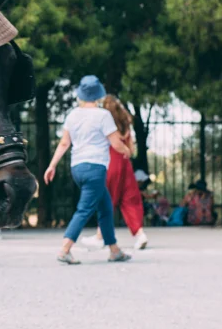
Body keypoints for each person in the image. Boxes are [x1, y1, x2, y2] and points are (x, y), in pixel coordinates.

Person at [44, 75, 133, 264]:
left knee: (106, 208)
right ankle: (65, 249)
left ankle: (114, 250)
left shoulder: (73, 115)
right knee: (84, 210)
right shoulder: (103, 115)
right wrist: (127, 151)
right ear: (99, 95)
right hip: (95, 168)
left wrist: (52, 165)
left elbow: (64, 143)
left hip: (77, 168)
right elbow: (116, 143)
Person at [80, 95, 148, 251]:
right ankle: (140, 234)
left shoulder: (105, 125)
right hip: (126, 165)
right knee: (130, 199)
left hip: (110, 163)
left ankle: (99, 236)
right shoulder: (126, 127)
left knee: (106, 199)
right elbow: (131, 150)